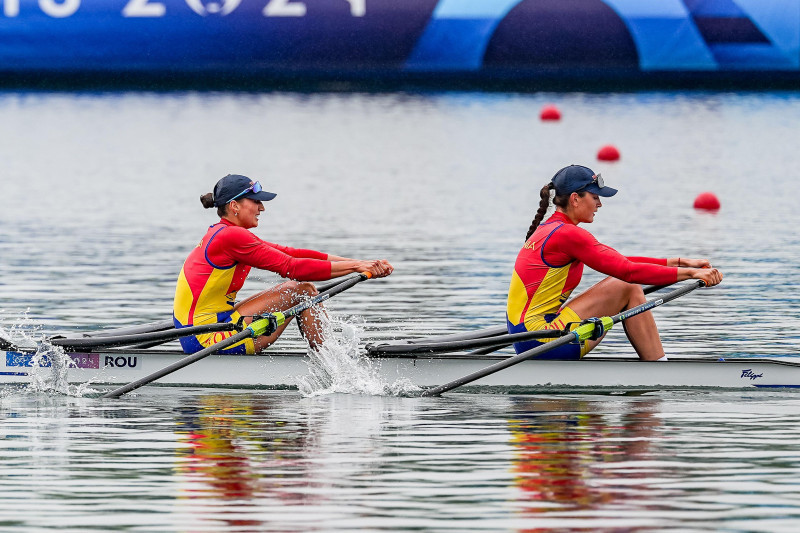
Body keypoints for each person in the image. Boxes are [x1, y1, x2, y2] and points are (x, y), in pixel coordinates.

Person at [506, 164, 722, 361]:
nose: (599, 204)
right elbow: (626, 271)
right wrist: (692, 275)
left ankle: (657, 364)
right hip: (542, 341)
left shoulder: (550, 229)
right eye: (595, 196)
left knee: (625, 283)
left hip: (529, 336)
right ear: (575, 198)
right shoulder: (567, 235)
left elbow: (620, 261)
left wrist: (679, 263)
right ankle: (659, 367)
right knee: (627, 285)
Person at [173, 174, 393, 355]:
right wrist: (357, 268)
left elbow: (290, 253)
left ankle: (330, 356)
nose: (262, 208)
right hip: (205, 338)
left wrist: (361, 263)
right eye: (256, 201)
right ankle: (333, 363)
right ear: (234, 206)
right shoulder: (231, 237)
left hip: (210, 325)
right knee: (302, 292)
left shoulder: (226, 233)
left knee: (299, 290)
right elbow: (293, 267)